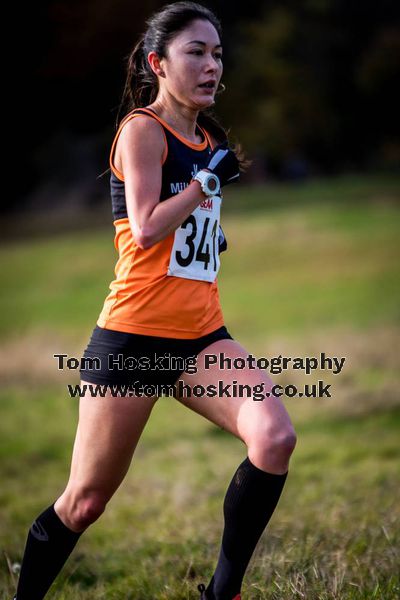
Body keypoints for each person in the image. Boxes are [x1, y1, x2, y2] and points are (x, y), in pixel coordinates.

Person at [12, 2, 297, 599]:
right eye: (195, 52)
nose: (212, 65)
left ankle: (222, 593)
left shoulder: (208, 138)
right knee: (85, 501)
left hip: (201, 337)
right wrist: (206, 183)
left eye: (218, 53)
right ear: (157, 63)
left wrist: (212, 230)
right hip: (134, 341)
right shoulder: (143, 129)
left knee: (273, 437)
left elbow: (188, 234)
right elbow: (143, 227)